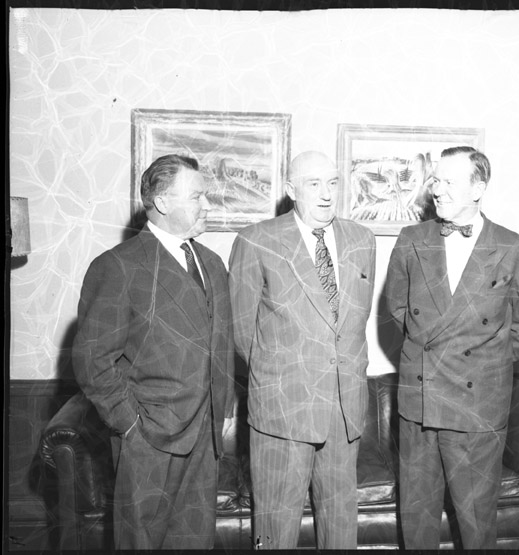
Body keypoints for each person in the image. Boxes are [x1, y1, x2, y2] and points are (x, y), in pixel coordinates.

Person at [72, 154, 235, 550]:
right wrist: (131, 426)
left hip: (206, 436)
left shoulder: (212, 264)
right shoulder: (118, 266)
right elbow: (93, 361)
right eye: (196, 197)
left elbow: (220, 343)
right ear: (162, 202)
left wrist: (225, 408)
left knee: (195, 542)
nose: (207, 205)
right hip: (149, 439)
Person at [385, 146, 519, 549]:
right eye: (436, 180)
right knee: (417, 522)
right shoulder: (411, 240)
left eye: (449, 182)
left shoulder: (516, 248)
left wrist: (484, 362)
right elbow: (398, 309)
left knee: (476, 525)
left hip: (477, 407)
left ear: (478, 188)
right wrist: (430, 353)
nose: (437, 190)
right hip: (419, 402)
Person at [228, 151, 376, 549]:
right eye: (314, 184)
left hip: (344, 411)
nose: (326, 194)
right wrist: (285, 378)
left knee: (340, 529)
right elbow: (242, 333)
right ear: (291, 190)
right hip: (283, 409)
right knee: (275, 532)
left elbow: (353, 323)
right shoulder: (256, 240)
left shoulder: (362, 239)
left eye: (333, 183)